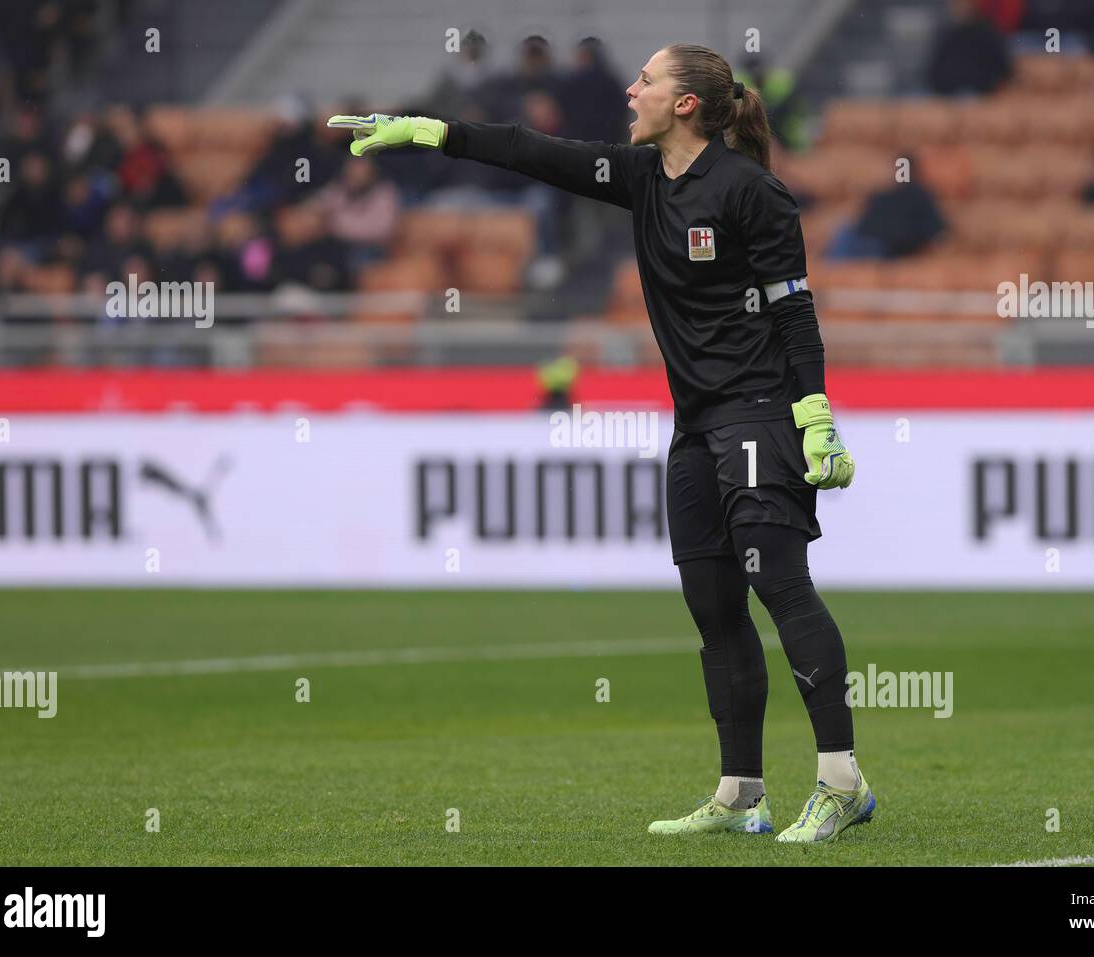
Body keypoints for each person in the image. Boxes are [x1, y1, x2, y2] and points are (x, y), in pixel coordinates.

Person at [328, 42, 874, 844]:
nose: (632, 87)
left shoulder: (754, 192)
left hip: (759, 413)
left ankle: (841, 781)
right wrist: (432, 130)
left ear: (686, 104)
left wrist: (815, 414)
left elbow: (796, 310)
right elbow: (532, 151)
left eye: (647, 79)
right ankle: (741, 793)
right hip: (694, 426)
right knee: (714, 607)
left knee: (780, 587)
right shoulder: (642, 177)